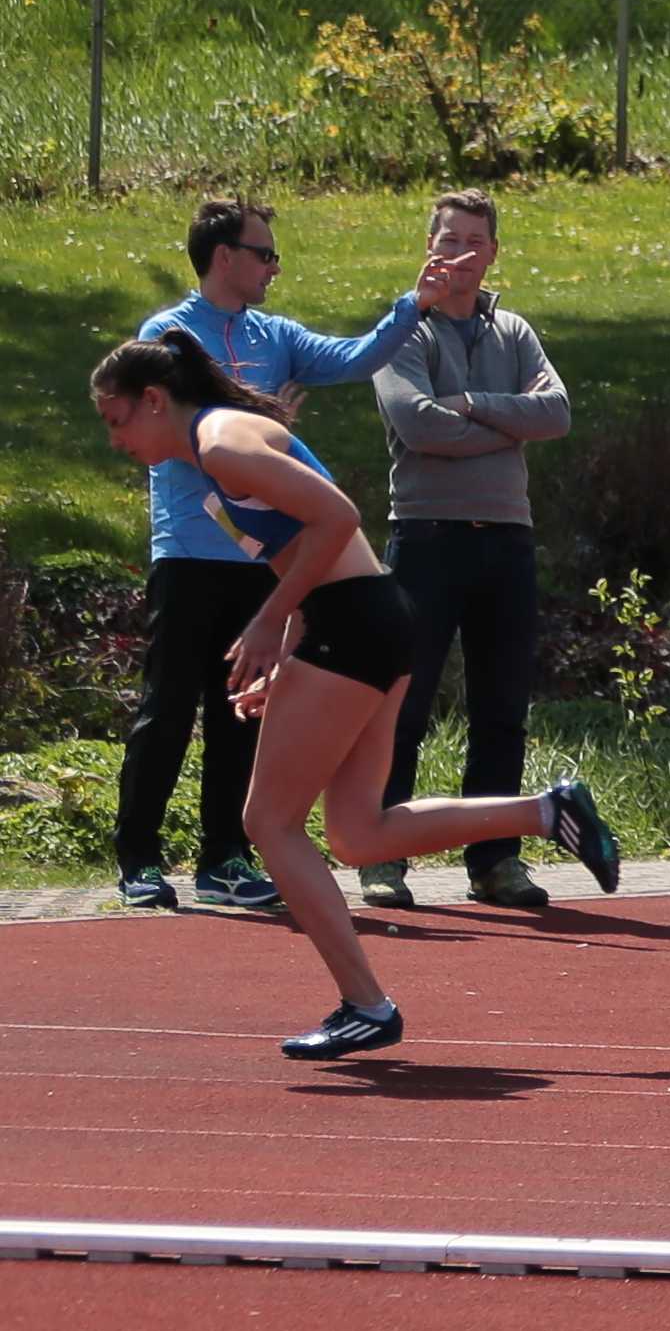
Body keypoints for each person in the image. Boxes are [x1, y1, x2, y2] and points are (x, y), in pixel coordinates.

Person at [89, 332, 620, 1059]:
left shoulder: (221, 444)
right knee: (359, 835)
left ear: (154, 400)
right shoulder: (215, 451)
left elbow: (338, 517)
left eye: (116, 419)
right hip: (366, 620)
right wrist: (289, 657)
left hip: (356, 625)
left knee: (268, 823)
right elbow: (303, 555)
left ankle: (366, 1004)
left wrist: (271, 622)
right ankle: (546, 811)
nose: (114, 439)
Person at [114, 198, 426, 914]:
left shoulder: (275, 333)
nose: (274, 267)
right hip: (188, 554)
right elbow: (174, 439)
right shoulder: (165, 336)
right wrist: (262, 420)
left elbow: (354, 359)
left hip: (262, 564)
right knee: (168, 708)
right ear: (224, 257)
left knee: (242, 711)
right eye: (265, 254)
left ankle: (224, 858)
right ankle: (139, 859)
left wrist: (416, 304)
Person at [362, 193, 571, 913]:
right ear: (429, 245)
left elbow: (557, 412)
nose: (459, 252)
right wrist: (509, 423)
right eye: (448, 238)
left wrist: (473, 404)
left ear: (492, 254)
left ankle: (494, 860)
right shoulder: (403, 331)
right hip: (427, 538)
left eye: (474, 241)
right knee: (403, 704)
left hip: (506, 539)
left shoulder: (515, 331)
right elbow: (417, 425)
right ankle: (382, 853)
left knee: (501, 709)